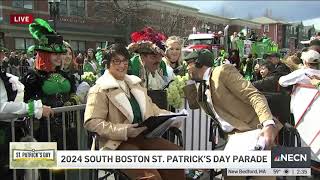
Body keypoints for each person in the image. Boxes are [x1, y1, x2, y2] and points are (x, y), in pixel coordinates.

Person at [84, 43, 185, 180]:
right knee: (149, 176)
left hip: (143, 137)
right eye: (116, 61)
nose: (122, 65)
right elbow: (92, 122)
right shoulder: (100, 89)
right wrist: (125, 131)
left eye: (125, 61)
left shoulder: (134, 83)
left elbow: (152, 108)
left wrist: (171, 118)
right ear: (107, 64)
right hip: (116, 143)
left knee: (176, 157)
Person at [183, 49, 282, 180]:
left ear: (198, 63)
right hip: (234, 139)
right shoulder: (202, 85)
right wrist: (189, 82)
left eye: (188, 64)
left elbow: (254, 95)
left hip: (253, 131)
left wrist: (268, 123)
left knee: (261, 174)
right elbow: (194, 104)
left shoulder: (222, 72)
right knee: (231, 174)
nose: (187, 68)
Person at [0, 69, 54, 180]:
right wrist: (33, 108)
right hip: (5, 137)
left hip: (16, 133)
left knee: (21, 173)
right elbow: (1, 108)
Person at [279, 49, 320, 164]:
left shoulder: (302, 73)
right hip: (316, 111)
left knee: (302, 133)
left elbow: (282, 81)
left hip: (301, 108)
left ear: (305, 62)